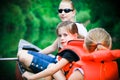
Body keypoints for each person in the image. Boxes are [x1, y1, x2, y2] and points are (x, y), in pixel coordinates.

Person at [18, 21, 85, 80]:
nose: (62, 38)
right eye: (60, 36)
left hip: (65, 77)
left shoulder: (70, 53)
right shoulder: (72, 48)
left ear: (75, 36)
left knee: (52, 67)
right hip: (62, 73)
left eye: (65, 35)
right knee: (51, 67)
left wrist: (31, 77)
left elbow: (53, 70)